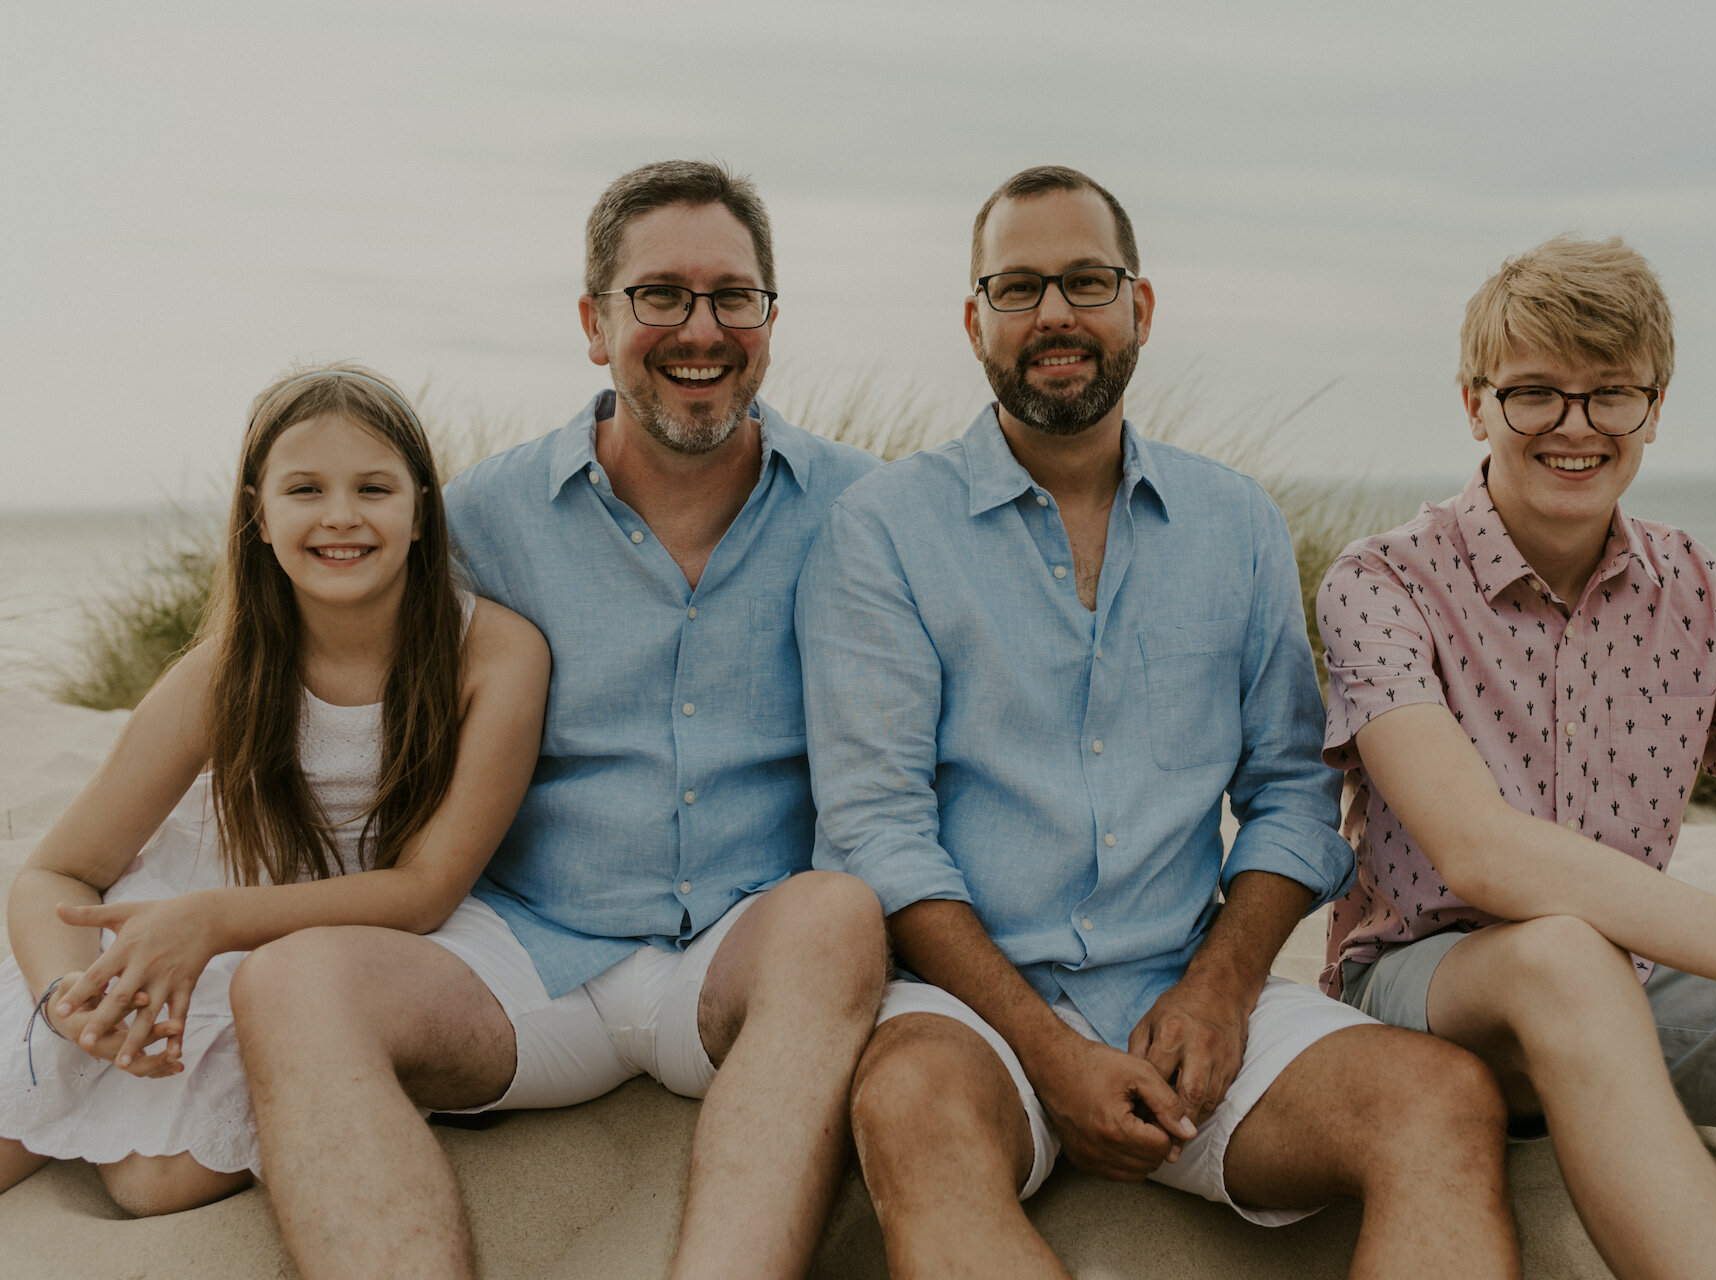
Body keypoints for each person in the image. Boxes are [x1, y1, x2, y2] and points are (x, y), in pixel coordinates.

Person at [797, 165, 1520, 1279]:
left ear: (1141, 304)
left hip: (1185, 995)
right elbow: (877, 829)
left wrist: (1223, 986)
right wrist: (1047, 1050)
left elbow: (1289, 789)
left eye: (1087, 281)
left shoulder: (1235, 522)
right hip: (972, 1016)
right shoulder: (882, 529)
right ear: (973, 319)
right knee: (912, 1113)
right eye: (1019, 286)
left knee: (1443, 1102)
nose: (1055, 316)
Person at [229, 161, 888, 1280]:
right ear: (595, 321)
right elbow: (288, 652)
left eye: (734, 296)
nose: (701, 327)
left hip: (745, 962)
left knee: (835, 912)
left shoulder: (869, 511)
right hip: (524, 956)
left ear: (771, 321)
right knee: (288, 981)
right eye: (660, 295)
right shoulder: (480, 516)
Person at [1317, 235, 1716, 1280]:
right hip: (1430, 990)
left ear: (1655, 407)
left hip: (1637, 995)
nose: (1575, 425)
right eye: (1535, 392)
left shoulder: (1705, 591)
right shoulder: (1383, 583)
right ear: (1475, 404)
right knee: (1561, 952)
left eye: (1611, 395)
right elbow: (1481, 853)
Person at [0, 364, 548, 1217]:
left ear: (420, 511)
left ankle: (91, 1113)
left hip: (339, 934)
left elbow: (427, 889)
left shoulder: (497, 653)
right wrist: (72, 1001)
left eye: (373, 487)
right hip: (185, 907)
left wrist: (212, 924)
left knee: (157, 1183)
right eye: (304, 489)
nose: (340, 515)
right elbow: (54, 875)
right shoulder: (224, 671)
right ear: (259, 516)